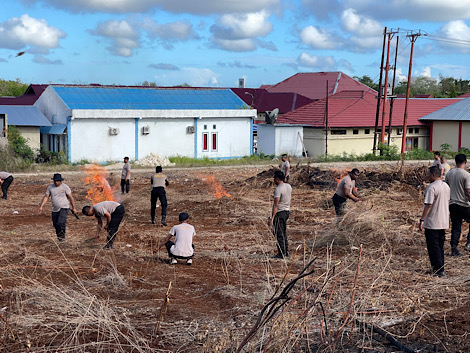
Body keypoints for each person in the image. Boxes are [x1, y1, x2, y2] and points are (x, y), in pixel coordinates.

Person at [419, 166, 450, 277]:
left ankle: (438, 270)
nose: (427, 176)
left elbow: (428, 205)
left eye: (428, 174)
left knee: (433, 247)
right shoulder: (446, 186)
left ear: (432, 174)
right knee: (440, 246)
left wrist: (422, 219)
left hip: (433, 222)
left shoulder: (431, 188)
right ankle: (440, 267)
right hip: (443, 221)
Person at [38, 173, 77, 242]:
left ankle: (62, 238)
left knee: (61, 222)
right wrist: (41, 206)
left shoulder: (65, 187)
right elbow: (46, 197)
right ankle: (59, 238)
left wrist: (74, 208)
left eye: (57, 181)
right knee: (55, 224)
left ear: (61, 181)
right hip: (55, 209)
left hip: (64, 207)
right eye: (55, 181)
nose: (56, 182)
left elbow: (70, 198)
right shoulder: (50, 187)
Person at [444, 153, 470, 256]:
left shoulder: (449, 173)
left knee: (456, 226)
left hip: (452, 204)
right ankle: (469, 243)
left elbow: (446, 188)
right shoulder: (466, 175)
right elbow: (468, 191)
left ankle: (454, 248)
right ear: (465, 162)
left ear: (455, 161)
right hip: (463, 204)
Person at [268, 170, 292, 259]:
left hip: (280, 213)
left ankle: (281, 253)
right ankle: (286, 252)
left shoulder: (278, 189)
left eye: (274, 178)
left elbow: (275, 205)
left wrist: (272, 218)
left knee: (279, 234)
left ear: (277, 179)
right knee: (284, 233)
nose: (273, 180)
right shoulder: (289, 186)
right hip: (286, 212)